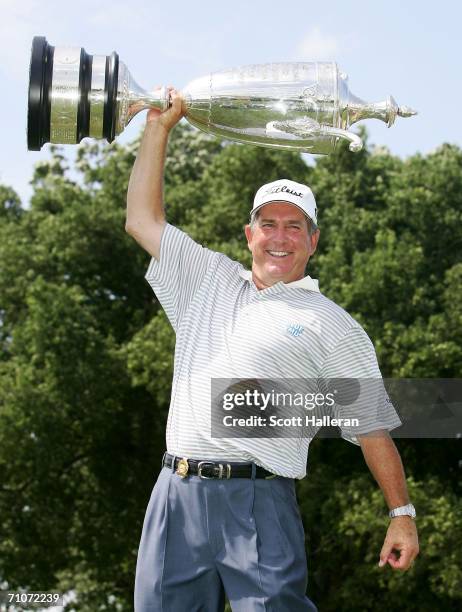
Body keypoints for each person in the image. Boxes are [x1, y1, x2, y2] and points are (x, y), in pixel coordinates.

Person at [125, 90, 419, 612]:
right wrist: (159, 128)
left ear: (313, 239)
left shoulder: (334, 325)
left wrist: (402, 513)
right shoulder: (207, 278)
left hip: (259, 500)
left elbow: (372, 428)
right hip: (177, 491)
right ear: (249, 234)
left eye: (293, 226)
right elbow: (142, 221)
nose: (279, 237)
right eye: (268, 224)